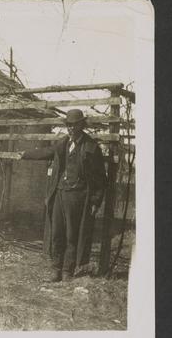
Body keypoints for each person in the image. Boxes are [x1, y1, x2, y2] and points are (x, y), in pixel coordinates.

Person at [19, 109, 107, 282]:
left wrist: (96, 202)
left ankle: (67, 270)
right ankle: (56, 269)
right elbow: (46, 152)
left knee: (72, 235)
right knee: (57, 232)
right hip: (60, 193)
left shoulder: (91, 148)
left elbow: (101, 179)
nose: (71, 128)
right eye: (68, 125)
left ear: (82, 125)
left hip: (79, 196)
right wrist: (25, 154)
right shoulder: (63, 143)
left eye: (74, 125)